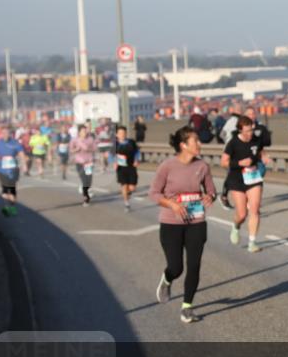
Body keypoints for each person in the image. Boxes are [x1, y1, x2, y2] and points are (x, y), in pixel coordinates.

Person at [150, 125, 216, 324]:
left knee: (194, 265)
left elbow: (212, 190)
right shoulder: (167, 166)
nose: (199, 144)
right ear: (183, 145)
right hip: (171, 222)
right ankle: (167, 279)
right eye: (195, 141)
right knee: (176, 267)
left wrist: (209, 197)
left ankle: (187, 306)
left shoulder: (203, 166)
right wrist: (172, 204)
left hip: (196, 221)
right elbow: (153, 193)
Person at [221, 115, 272, 253]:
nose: (250, 133)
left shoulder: (256, 139)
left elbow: (261, 151)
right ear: (240, 130)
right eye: (247, 131)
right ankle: (236, 226)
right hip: (237, 179)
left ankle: (252, 242)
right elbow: (224, 162)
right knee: (242, 214)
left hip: (253, 178)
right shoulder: (233, 143)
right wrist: (239, 163)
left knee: (254, 209)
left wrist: (264, 157)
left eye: (251, 130)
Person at [0, 126, 26, 217]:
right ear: (1, 134)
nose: (5, 135)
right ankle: (7, 207)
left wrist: (24, 165)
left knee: (12, 188)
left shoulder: (15, 143)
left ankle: (12, 205)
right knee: (5, 188)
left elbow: (21, 154)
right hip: (1, 169)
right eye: (3, 133)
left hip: (13, 169)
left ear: (10, 134)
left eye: (7, 133)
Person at [114, 125, 140, 211]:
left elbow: (137, 152)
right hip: (121, 168)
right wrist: (114, 162)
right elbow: (110, 155)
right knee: (124, 185)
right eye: (120, 133)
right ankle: (126, 203)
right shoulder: (115, 144)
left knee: (132, 187)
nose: (122, 135)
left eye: (124, 133)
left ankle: (128, 194)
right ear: (117, 134)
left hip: (131, 166)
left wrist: (136, 160)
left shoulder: (131, 142)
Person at [71, 125, 98, 206]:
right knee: (84, 180)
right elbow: (71, 150)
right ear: (79, 132)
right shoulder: (75, 140)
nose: (85, 132)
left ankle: (85, 190)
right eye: (83, 131)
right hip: (79, 163)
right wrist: (76, 149)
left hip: (88, 163)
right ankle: (86, 198)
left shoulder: (90, 139)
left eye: (85, 131)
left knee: (88, 180)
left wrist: (88, 149)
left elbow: (95, 148)